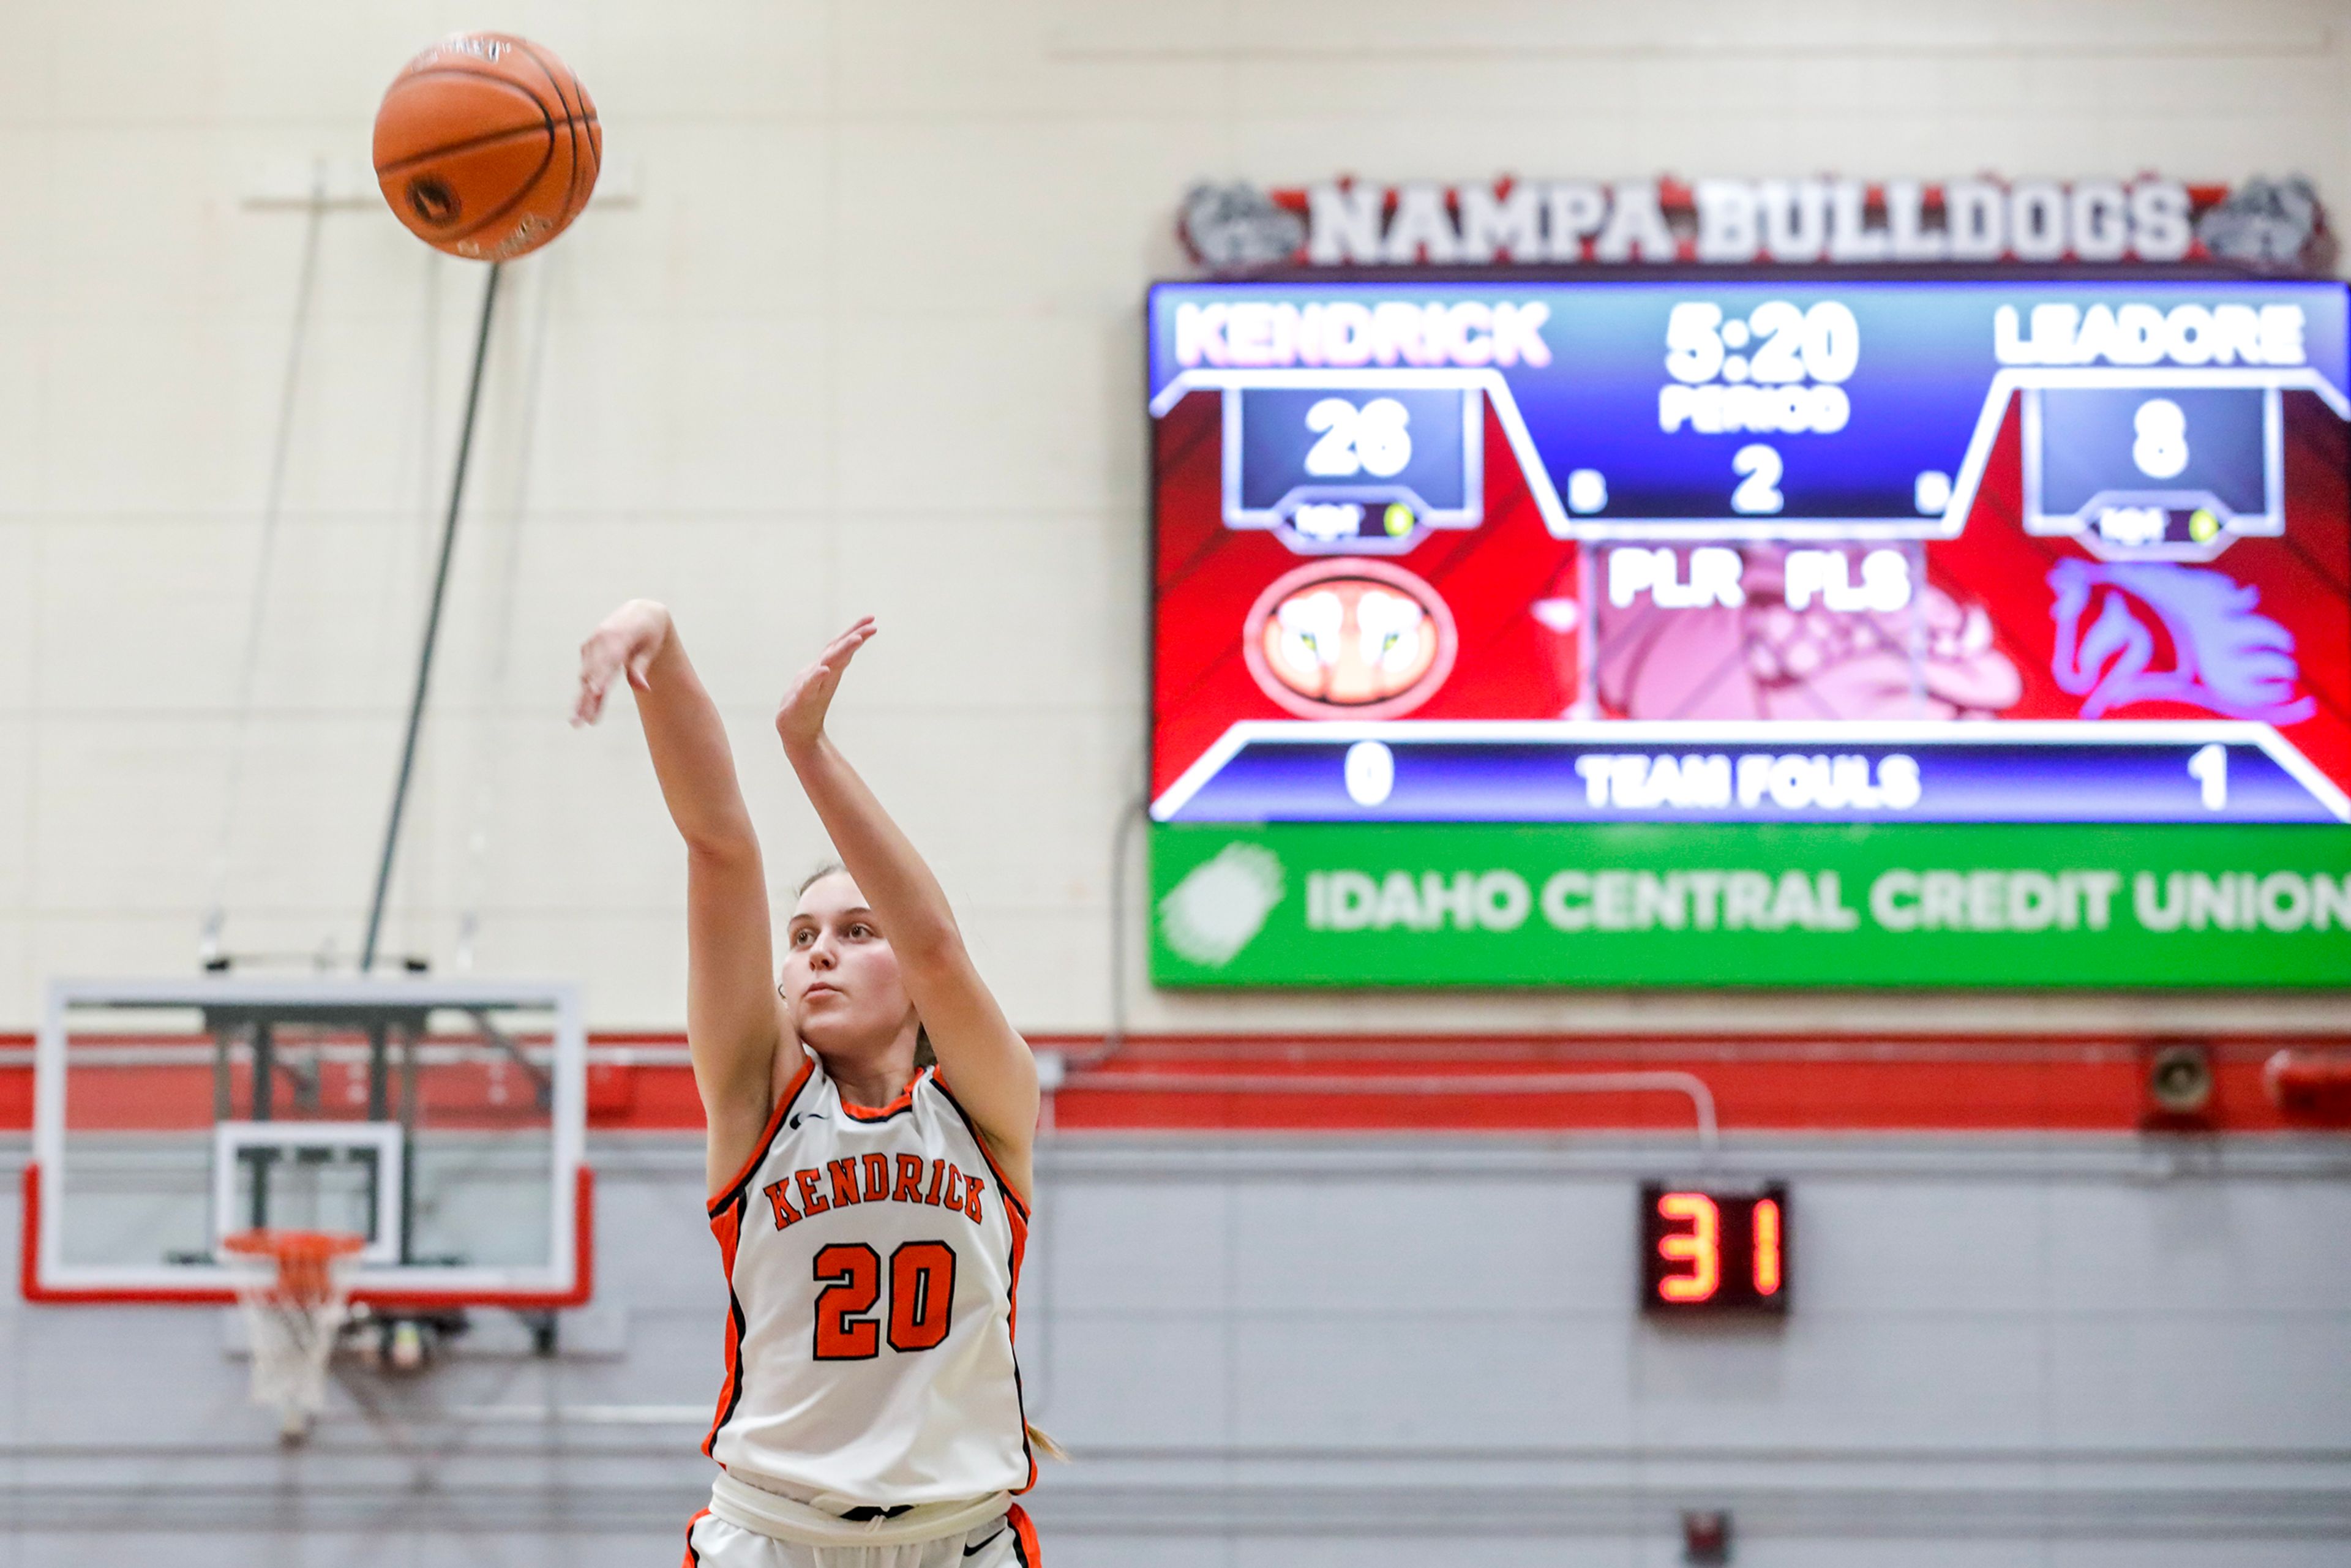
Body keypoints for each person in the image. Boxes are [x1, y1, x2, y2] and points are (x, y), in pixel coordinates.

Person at [574, 601, 1046, 1567]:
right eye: (802, 938)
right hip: (777, 1535)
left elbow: (941, 949)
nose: (820, 952)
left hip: (960, 1539)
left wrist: (810, 750)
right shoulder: (760, 1099)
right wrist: (660, 642)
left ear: (907, 978)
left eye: (856, 931)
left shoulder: (986, 1111)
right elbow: (719, 846)